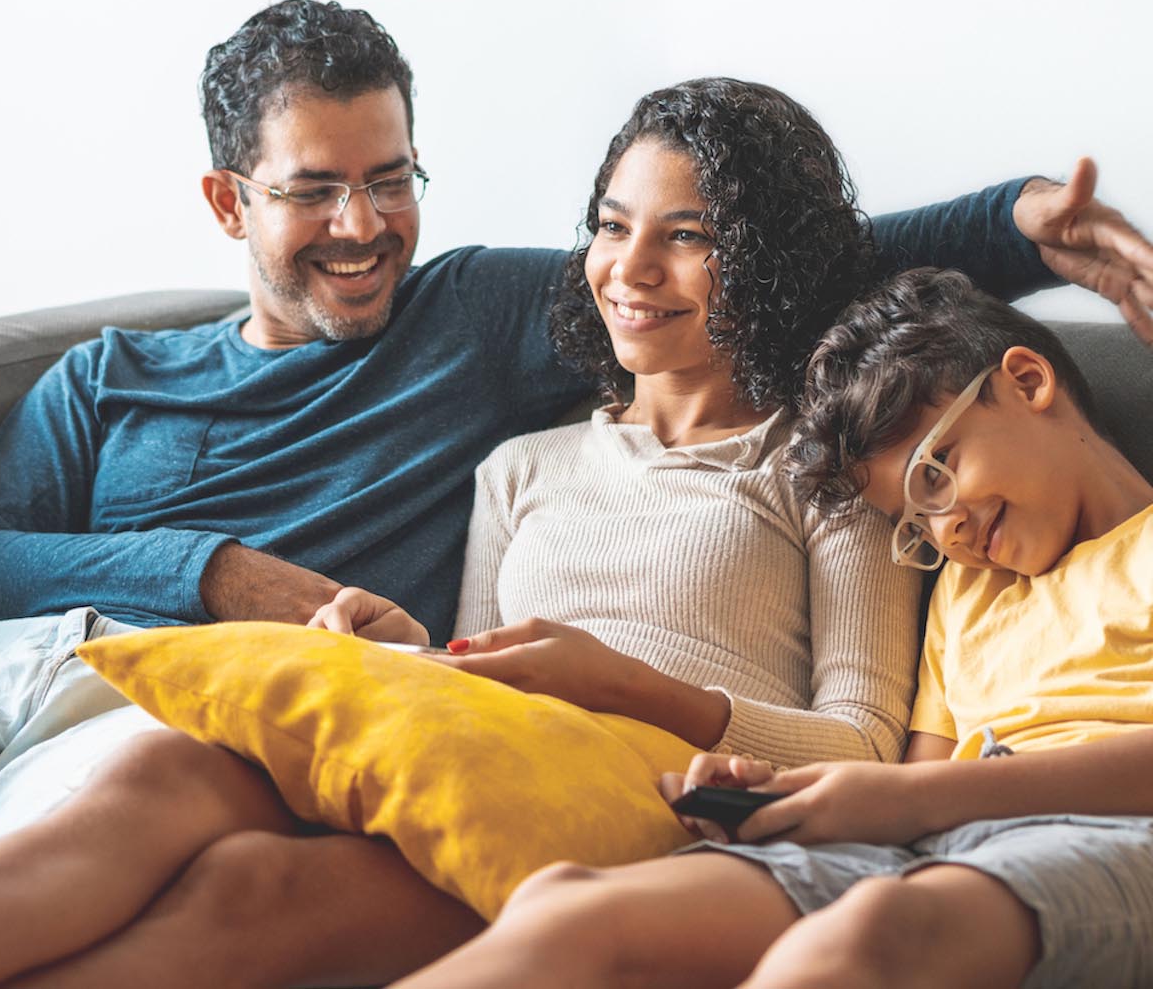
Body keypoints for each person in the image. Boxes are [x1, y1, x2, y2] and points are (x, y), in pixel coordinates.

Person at [0, 0, 1153, 988]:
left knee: (229, 861)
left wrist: (1022, 220)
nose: (626, 269)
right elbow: (449, 666)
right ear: (232, 202)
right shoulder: (516, 448)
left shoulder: (793, 459)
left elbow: (863, 741)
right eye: (609, 228)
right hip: (389, 716)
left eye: (391, 177)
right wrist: (255, 589)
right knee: (183, 796)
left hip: (644, 783)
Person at [389, 266, 1153, 989]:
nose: (946, 528)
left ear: (1027, 382)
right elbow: (916, 787)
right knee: (568, 906)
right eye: (916, 522)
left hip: (1108, 834)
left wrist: (927, 800)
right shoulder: (970, 587)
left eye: (935, 472)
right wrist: (789, 796)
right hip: (940, 842)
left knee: (878, 929)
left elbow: (926, 797)